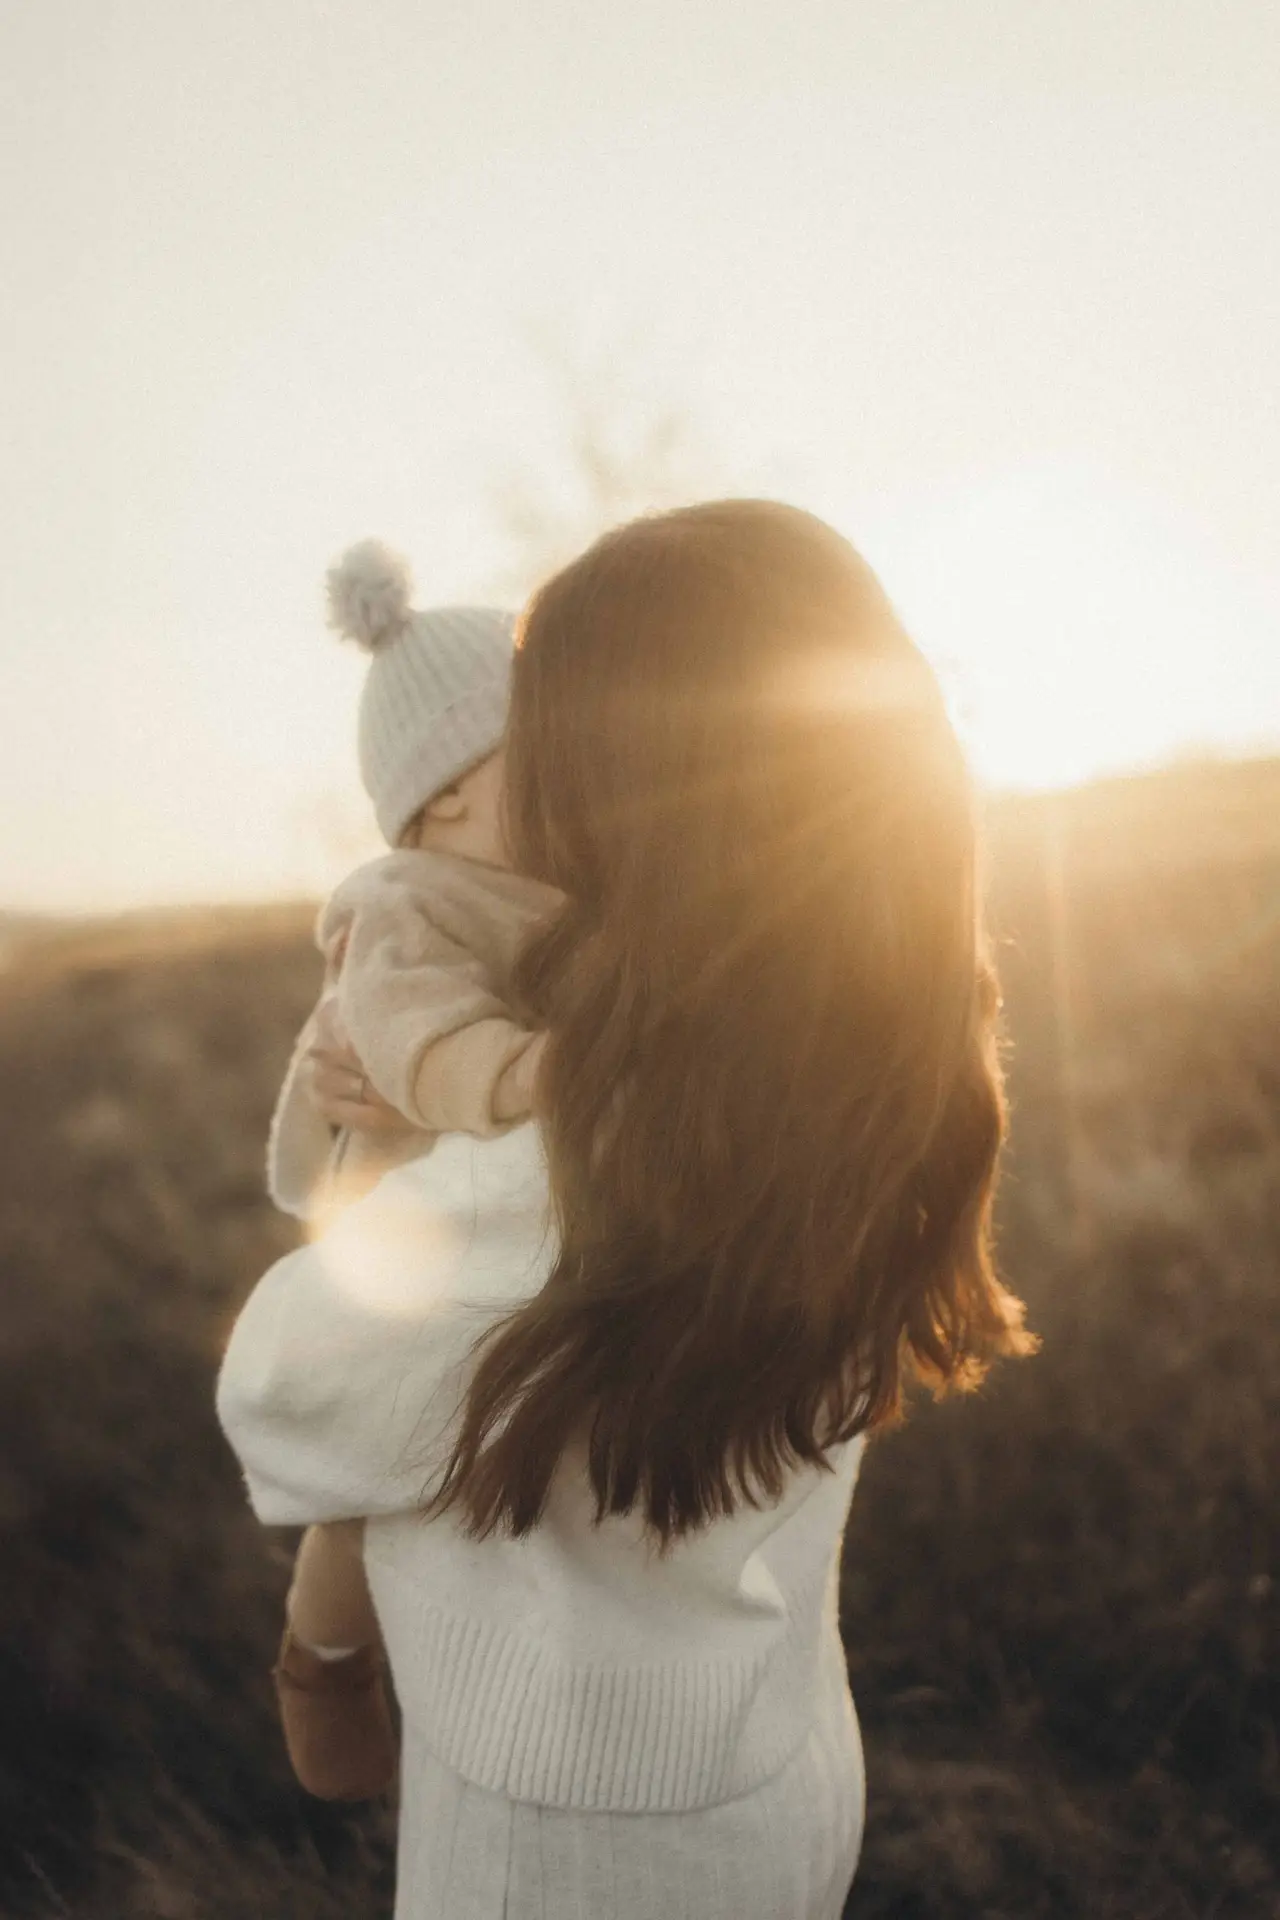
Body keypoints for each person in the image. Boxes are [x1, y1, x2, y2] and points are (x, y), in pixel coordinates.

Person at [218, 499, 1037, 1920]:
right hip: (783, 1752)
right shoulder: (863, 1052)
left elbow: (284, 1390)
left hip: (576, 1843)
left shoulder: (572, 1167)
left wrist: (403, 1155)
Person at [264, 537, 561, 1800]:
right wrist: (539, 1072)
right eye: (535, 755)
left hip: (490, 1222)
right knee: (371, 1466)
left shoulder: (538, 876)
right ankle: (323, 1660)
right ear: (441, 796)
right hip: (400, 1232)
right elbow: (421, 1041)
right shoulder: (406, 904)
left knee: (481, 1444)